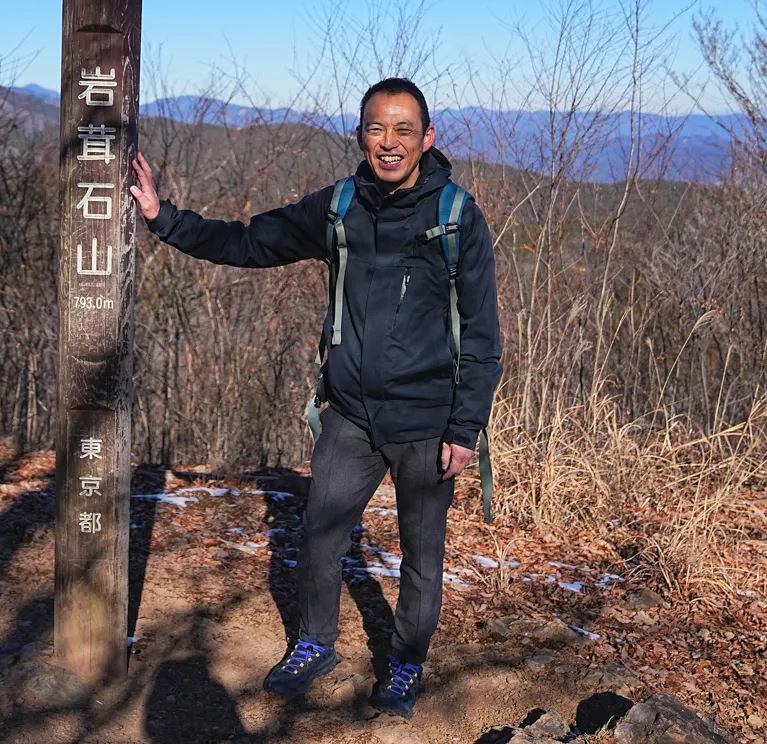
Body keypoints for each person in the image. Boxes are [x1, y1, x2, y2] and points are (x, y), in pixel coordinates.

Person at [129, 77, 502, 719]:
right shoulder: (340, 208)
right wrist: (166, 221)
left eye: (403, 130)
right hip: (350, 414)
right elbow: (252, 240)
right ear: (361, 135)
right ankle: (315, 642)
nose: (389, 143)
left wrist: (464, 429)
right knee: (322, 532)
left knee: (422, 552)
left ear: (427, 139)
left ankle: (406, 662)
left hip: (427, 418)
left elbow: (485, 335)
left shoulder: (456, 218)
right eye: (376, 129)